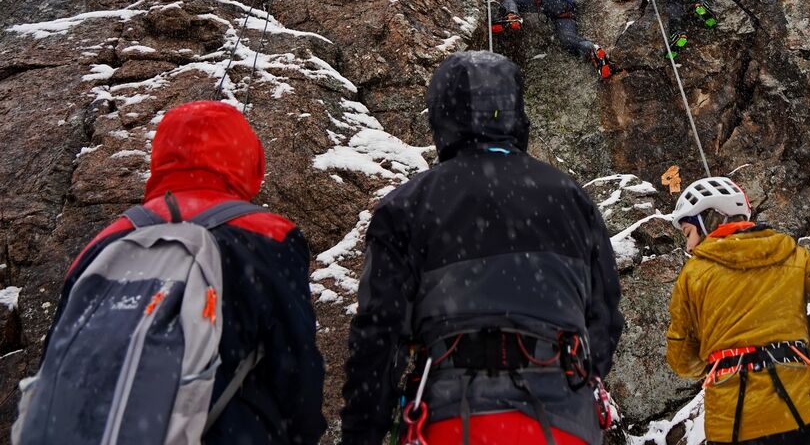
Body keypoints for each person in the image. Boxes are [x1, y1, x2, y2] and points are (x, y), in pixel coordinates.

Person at [340, 51, 624, 445]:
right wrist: (572, 382)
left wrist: (362, 434)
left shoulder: (407, 205)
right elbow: (604, 316)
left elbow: (379, 334)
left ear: (442, 115)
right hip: (562, 419)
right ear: (516, 113)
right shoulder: (571, 199)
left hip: (452, 418)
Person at [24, 101, 326, 444]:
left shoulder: (105, 242)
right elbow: (295, 369)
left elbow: (54, 361)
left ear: (161, 156)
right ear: (250, 159)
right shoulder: (268, 236)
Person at [665, 177, 810, 445]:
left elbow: (682, 358)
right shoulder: (790, 253)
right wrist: (794, 346)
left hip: (734, 424)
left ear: (709, 220)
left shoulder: (693, 275)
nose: (688, 246)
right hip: (806, 412)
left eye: (688, 233)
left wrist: (724, 359)